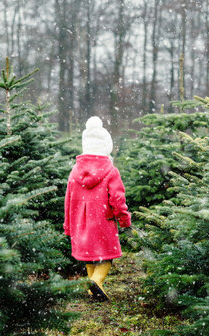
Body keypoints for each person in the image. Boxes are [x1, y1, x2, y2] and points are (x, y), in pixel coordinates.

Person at [63, 116, 131, 301]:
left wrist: (68, 226)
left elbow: (68, 201)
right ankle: (96, 281)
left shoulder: (74, 171)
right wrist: (124, 219)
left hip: (80, 222)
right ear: (105, 146)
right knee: (106, 258)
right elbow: (118, 199)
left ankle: (92, 285)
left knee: (89, 256)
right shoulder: (110, 170)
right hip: (103, 221)